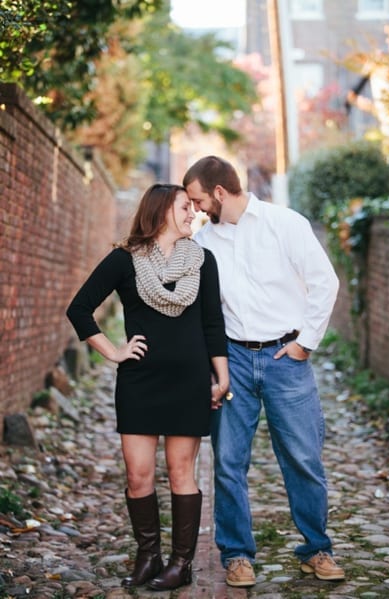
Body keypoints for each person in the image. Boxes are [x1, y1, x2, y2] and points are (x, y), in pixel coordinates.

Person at [182, 156, 343, 587]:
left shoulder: (285, 223)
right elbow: (203, 312)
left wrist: (304, 343)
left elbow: (325, 283)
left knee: (303, 458)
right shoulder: (203, 243)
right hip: (232, 358)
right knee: (229, 461)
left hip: (284, 359)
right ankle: (236, 555)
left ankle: (317, 549)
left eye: (198, 200)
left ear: (219, 192)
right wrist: (212, 370)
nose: (195, 209)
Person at [66, 184, 229, 591]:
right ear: (160, 212)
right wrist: (113, 351)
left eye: (194, 207)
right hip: (140, 382)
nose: (193, 213)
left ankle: (180, 563)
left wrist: (221, 375)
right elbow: (80, 308)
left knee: (180, 473)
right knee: (138, 475)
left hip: (189, 380)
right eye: (185, 207)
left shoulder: (203, 261)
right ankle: (149, 557)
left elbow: (212, 322)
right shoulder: (125, 260)